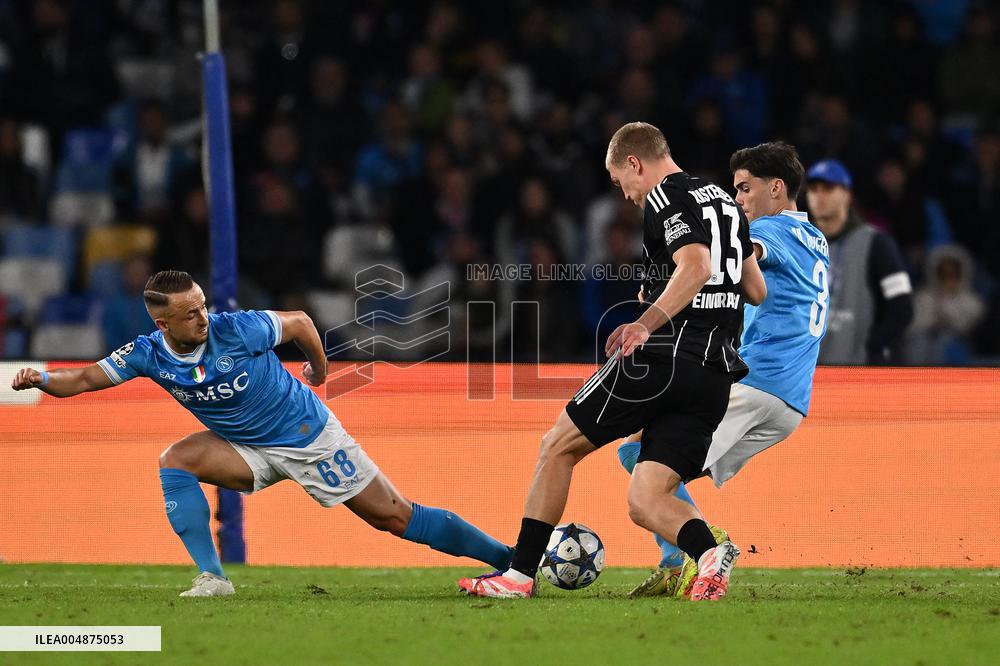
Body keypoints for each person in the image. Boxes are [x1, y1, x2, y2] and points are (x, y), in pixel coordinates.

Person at [11, 270, 512, 597]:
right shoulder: (147, 353)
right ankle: (213, 577)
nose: (203, 317)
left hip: (309, 438)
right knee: (175, 459)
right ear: (163, 323)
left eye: (202, 305)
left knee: (395, 518)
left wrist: (320, 369)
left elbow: (300, 323)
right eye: (190, 313)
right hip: (245, 448)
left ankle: (511, 561)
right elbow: (85, 379)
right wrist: (42, 379)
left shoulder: (235, 328)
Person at [458, 121, 765, 601]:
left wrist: (646, 321)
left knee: (557, 446)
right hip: (714, 374)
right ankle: (709, 553)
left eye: (620, 180)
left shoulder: (666, 195)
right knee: (647, 498)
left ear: (634, 163)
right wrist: (669, 290)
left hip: (665, 358)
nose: (624, 193)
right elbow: (755, 289)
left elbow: (697, 266)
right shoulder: (725, 201)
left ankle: (517, 577)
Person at [617, 142, 830, 596]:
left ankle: (702, 552)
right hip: (790, 400)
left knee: (638, 456)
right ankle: (680, 559)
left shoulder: (771, 231)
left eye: (745, 188)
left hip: (757, 382)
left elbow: (736, 251)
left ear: (777, 188)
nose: (737, 200)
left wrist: (665, 281)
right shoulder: (816, 238)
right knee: (653, 460)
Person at [805, 159, 913, 364]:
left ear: (847, 195)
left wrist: (872, 347)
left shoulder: (875, 243)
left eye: (828, 188)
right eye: (813, 189)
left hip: (858, 368)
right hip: (807, 369)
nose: (819, 195)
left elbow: (902, 307)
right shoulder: (798, 243)